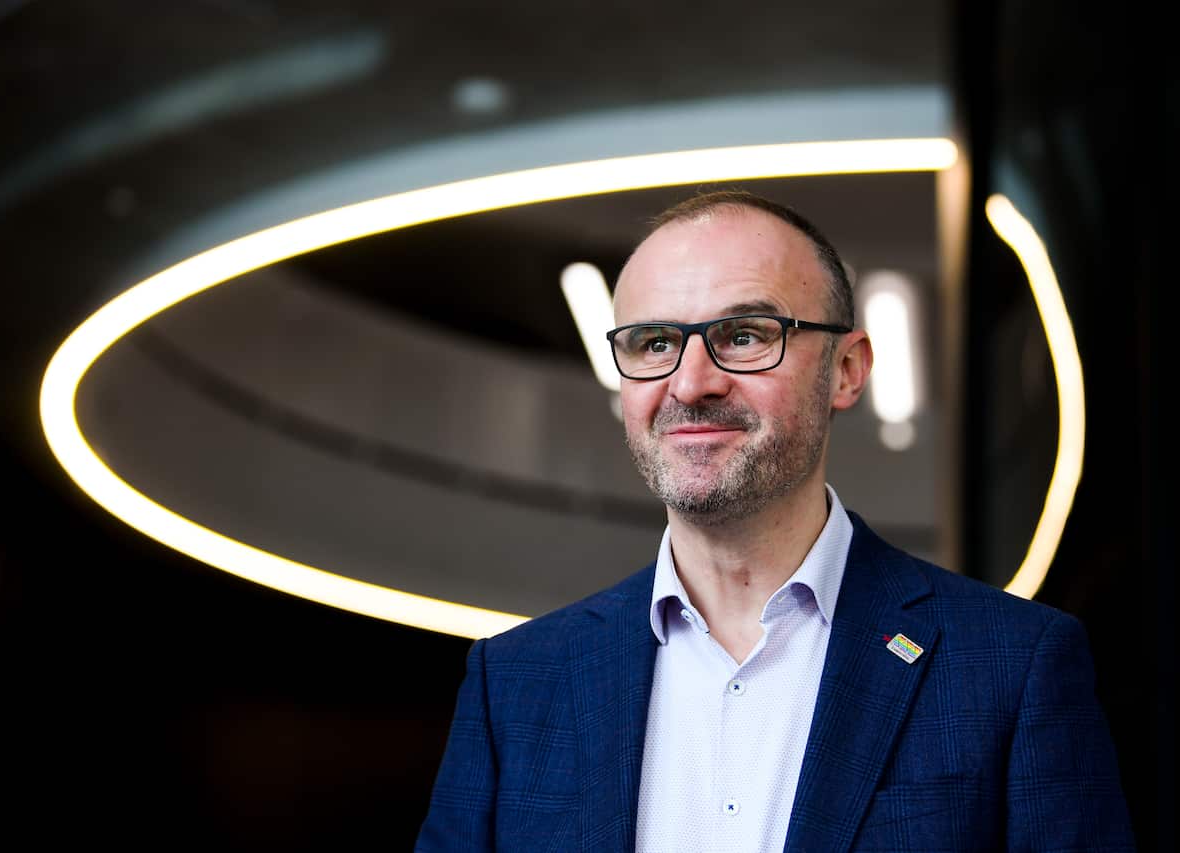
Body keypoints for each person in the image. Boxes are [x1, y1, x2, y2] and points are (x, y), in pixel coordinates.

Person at [416, 190, 1134, 851]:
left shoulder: (1013, 667)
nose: (692, 382)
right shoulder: (513, 684)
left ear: (847, 370)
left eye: (746, 334)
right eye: (654, 342)